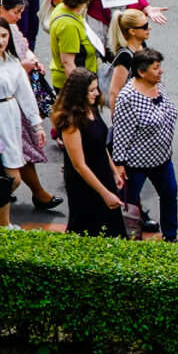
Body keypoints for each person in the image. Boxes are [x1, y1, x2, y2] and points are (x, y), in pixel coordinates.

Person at [0, 17, 59, 225]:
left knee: (6, 178)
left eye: (4, 36)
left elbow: (25, 95)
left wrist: (37, 125)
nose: (0, 41)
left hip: (11, 121)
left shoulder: (11, 61)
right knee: (11, 178)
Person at [111, 47, 178, 242]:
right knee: (129, 204)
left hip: (163, 158)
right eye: (156, 68)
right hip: (136, 165)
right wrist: (119, 163)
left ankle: (170, 236)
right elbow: (121, 133)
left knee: (169, 196)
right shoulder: (128, 97)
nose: (161, 71)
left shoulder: (159, 84)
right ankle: (128, 239)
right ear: (141, 72)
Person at [51, 67, 127, 238]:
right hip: (83, 182)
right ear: (79, 93)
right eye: (91, 90)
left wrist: (114, 171)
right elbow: (79, 165)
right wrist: (105, 193)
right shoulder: (71, 122)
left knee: (112, 224)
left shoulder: (92, 109)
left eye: (96, 88)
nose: (96, 93)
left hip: (102, 172)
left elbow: (100, 145)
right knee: (88, 227)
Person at [46, 0, 108, 82]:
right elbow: (68, 63)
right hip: (77, 82)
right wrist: (79, 90)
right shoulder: (69, 25)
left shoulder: (62, 7)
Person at [104, 6, 155, 109]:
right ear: (132, 31)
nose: (149, 28)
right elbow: (114, 92)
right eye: (144, 26)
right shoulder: (125, 56)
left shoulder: (142, 46)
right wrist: (117, 121)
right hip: (131, 111)